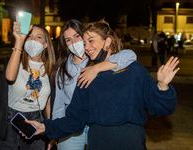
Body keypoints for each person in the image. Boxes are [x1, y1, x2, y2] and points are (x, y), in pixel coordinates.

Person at [22, 19, 180, 150]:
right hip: (98, 142)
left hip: (131, 142)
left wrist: (162, 86)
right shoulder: (86, 76)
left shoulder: (134, 70)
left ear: (107, 41)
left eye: (91, 41)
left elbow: (160, 109)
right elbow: (74, 120)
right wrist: (45, 127)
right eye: (84, 43)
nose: (86, 47)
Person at [49, 19, 137, 150]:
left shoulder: (97, 59)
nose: (74, 43)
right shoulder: (62, 69)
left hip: (97, 123)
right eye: (68, 40)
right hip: (72, 123)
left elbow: (130, 55)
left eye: (77, 36)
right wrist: (54, 132)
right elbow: (58, 106)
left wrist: (96, 69)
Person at [0, 16, 55, 150]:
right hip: (10, 121)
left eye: (39, 37)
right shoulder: (15, 60)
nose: (33, 40)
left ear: (46, 44)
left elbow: (49, 103)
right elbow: (10, 77)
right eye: (29, 36)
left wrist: (51, 129)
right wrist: (19, 40)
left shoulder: (51, 69)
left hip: (36, 123)